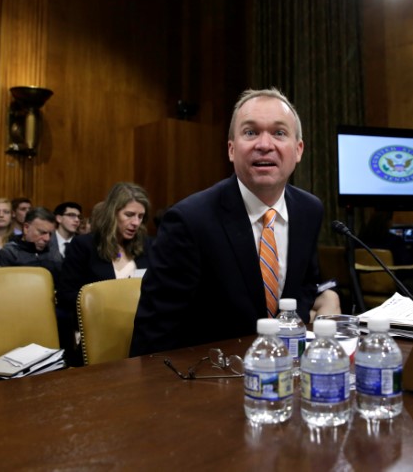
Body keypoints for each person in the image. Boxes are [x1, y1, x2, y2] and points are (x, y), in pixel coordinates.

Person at [130, 88, 340, 357]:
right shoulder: (189, 221)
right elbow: (154, 335)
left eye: (279, 133)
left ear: (298, 150)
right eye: (251, 132)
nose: (265, 144)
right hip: (210, 377)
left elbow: (304, 286)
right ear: (231, 149)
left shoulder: (309, 210)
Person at [56, 183, 151, 364]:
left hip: (139, 330)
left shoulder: (146, 246)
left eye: (141, 216)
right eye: (129, 215)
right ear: (112, 213)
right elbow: (66, 294)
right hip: (98, 332)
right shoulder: (84, 246)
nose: (136, 223)